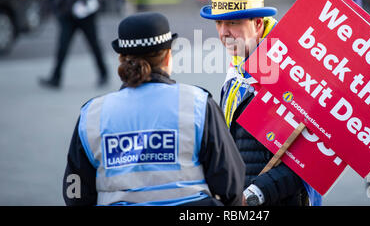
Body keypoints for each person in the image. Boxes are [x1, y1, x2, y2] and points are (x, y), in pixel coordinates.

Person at [62, 12, 245, 206]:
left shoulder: (92, 114)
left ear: (122, 59)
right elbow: (231, 185)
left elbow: (75, 193)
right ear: (168, 57)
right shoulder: (197, 105)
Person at [200, 0, 322, 206]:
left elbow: (312, 158)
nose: (223, 32)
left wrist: (255, 194)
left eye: (233, 23)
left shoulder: (291, 71)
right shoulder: (237, 71)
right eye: (218, 23)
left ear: (257, 24)